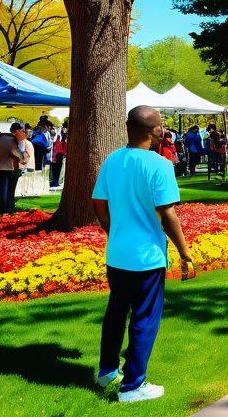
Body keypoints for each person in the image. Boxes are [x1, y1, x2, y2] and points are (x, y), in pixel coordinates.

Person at [93, 105, 196, 403]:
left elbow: (99, 202)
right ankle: (133, 386)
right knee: (145, 317)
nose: (163, 129)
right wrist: (185, 253)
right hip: (147, 256)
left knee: (116, 312)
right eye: (161, 125)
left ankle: (107, 372)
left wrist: (112, 229)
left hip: (117, 253)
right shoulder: (159, 165)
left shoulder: (112, 160)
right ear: (155, 131)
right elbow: (167, 214)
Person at [0, 124, 23, 213]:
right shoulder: (9, 140)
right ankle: (10, 209)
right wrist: (21, 159)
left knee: (2, 191)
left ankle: (3, 209)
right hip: (11, 167)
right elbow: (17, 153)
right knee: (10, 191)